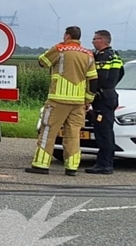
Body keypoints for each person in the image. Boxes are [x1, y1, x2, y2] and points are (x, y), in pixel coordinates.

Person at [27, 26, 99, 176]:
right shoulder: (89, 55)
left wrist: (58, 47)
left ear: (67, 36)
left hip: (58, 100)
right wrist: (88, 100)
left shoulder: (60, 49)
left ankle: (41, 164)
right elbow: (93, 81)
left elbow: (42, 62)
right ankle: (72, 167)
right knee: (73, 134)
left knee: (48, 131)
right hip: (78, 102)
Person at [85, 29, 125, 174]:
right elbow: (120, 74)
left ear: (102, 40)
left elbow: (98, 78)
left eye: (95, 39)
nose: (93, 41)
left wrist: (91, 94)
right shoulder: (115, 55)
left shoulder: (102, 57)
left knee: (103, 133)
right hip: (110, 95)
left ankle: (105, 164)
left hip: (102, 98)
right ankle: (104, 162)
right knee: (105, 131)